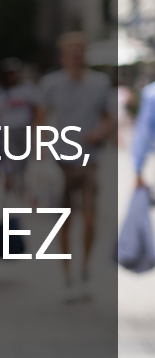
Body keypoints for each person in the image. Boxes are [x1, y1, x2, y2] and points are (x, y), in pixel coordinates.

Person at [40, 32, 112, 302]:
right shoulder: (51, 84)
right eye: (71, 52)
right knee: (64, 222)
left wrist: (100, 132)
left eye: (80, 51)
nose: (76, 56)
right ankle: (67, 274)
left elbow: (108, 118)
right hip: (59, 164)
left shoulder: (100, 83)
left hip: (89, 161)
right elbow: (40, 120)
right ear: (63, 56)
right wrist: (41, 152)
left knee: (91, 218)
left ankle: (85, 269)